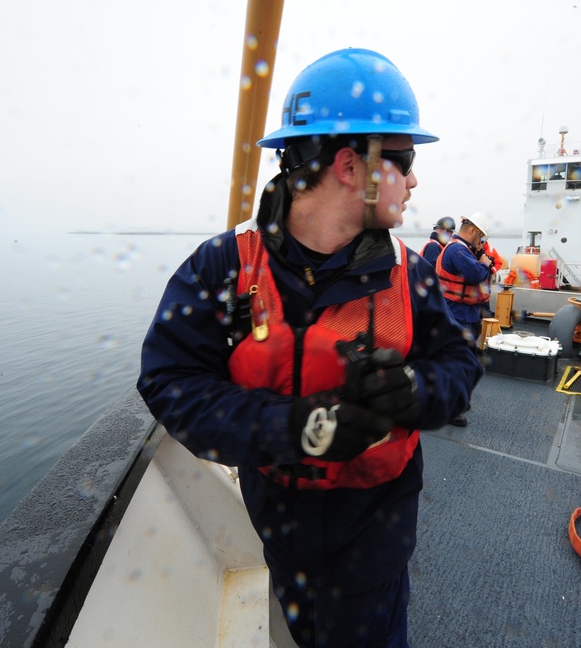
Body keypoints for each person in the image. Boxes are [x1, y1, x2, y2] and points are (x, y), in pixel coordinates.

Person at [138, 47, 482, 648]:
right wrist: (298, 429)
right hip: (279, 520)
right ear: (352, 166)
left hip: (378, 519)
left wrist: (414, 391)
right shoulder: (225, 266)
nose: (416, 177)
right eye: (404, 159)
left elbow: (459, 364)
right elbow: (171, 382)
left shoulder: (411, 272)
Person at [435, 212, 493, 427]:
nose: (482, 242)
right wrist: (484, 263)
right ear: (473, 231)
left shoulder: (461, 249)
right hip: (458, 315)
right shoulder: (458, 250)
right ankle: (452, 410)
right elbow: (476, 275)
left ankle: (458, 401)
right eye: (482, 237)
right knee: (459, 362)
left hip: (465, 314)